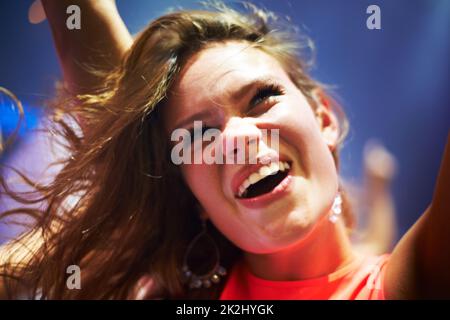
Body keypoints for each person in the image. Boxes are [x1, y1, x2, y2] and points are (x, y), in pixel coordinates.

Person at [0, 1, 449, 300]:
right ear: (194, 197)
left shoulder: (416, 281)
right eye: (198, 136)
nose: (236, 139)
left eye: (261, 98)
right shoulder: (173, 292)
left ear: (325, 119)